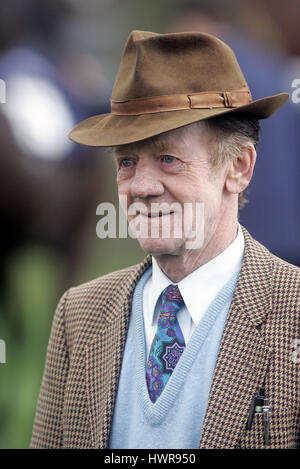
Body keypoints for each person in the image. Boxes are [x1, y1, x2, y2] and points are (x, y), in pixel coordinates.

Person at [30, 30, 300, 449]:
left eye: (168, 159)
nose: (142, 186)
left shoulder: (294, 313)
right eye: (127, 162)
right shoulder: (78, 316)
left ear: (239, 167)